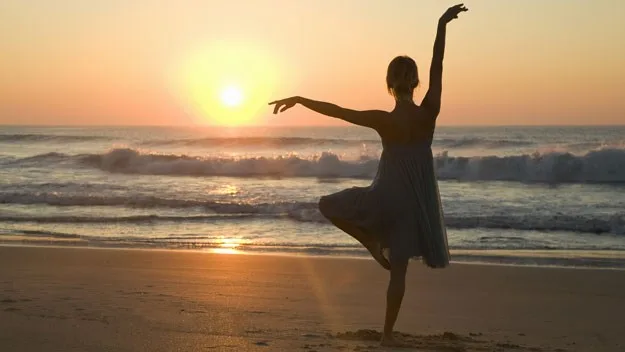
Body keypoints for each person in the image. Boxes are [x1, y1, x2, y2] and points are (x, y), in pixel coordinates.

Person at [269, 4, 468, 346]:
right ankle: (387, 335)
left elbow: (339, 111)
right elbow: (439, 66)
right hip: (415, 205)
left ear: (389, 84)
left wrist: (301, 99)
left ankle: (370, 242)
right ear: (414, 82)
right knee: (399, 273)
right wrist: (441, 25)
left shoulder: (383, 118)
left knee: (326, 204)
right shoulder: (429, 111)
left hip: (385, 198)